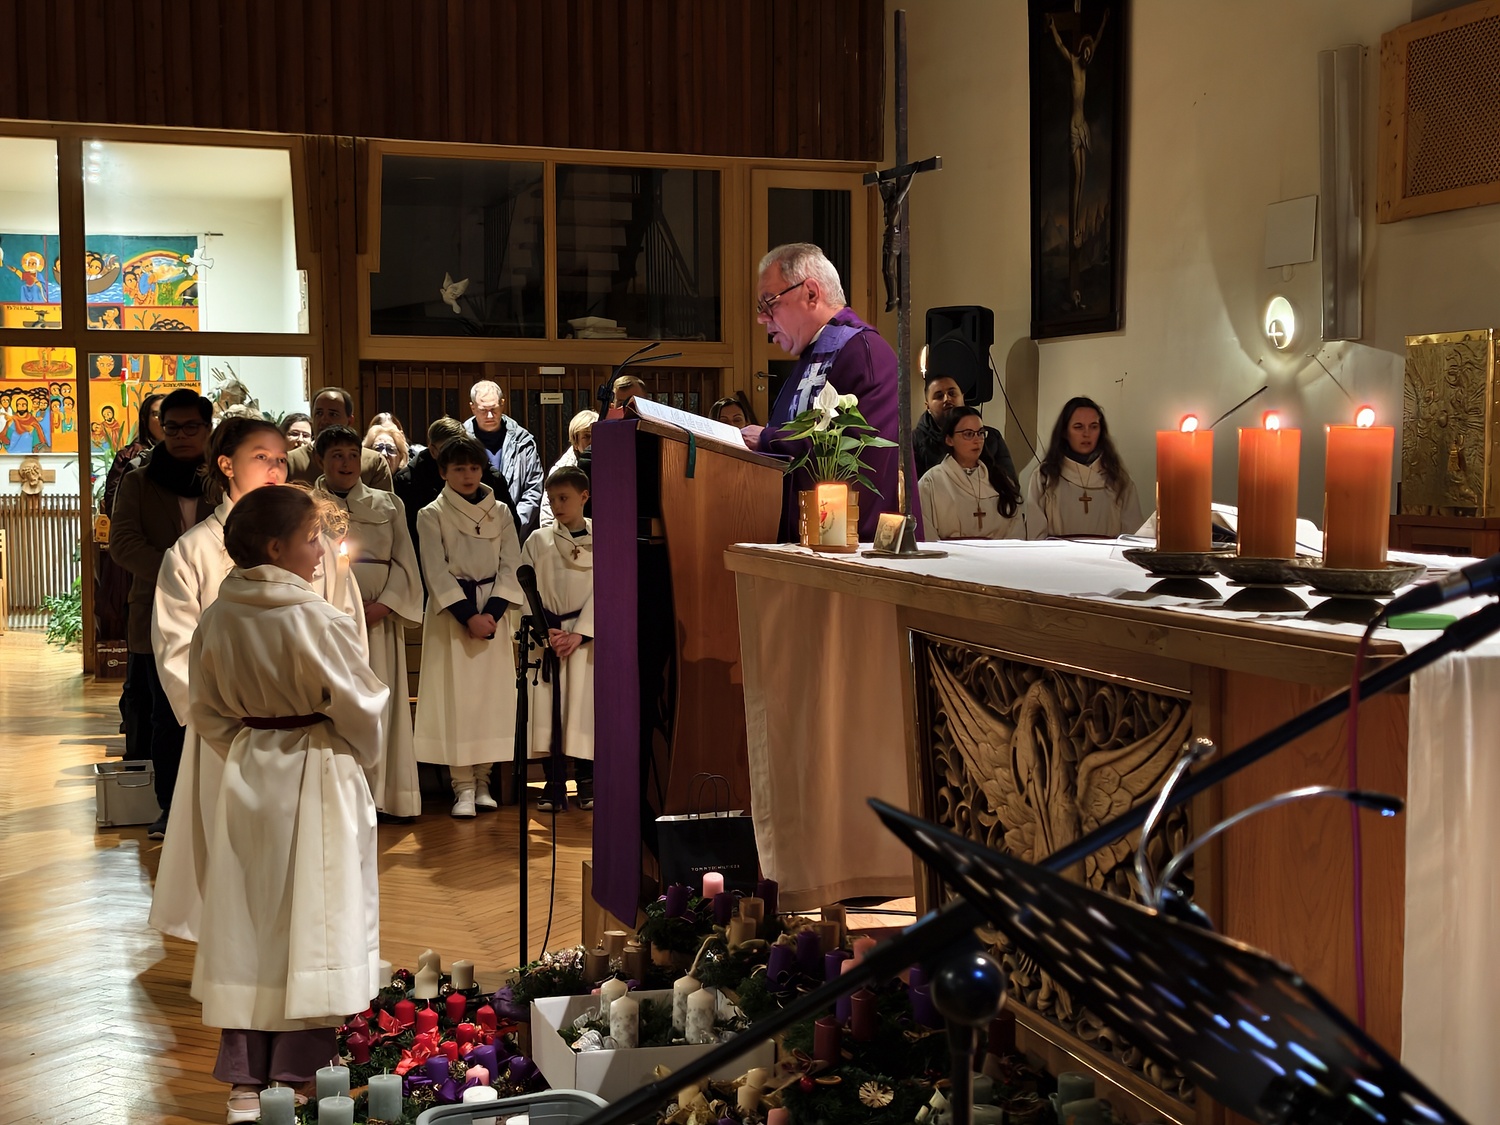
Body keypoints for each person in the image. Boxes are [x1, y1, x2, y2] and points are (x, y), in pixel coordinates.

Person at [186, 485, 386, 1124]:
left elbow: (205, 711)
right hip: (316, 767)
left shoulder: (218, 617)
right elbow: (361, 707)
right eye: (310, 538)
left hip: (249, 770)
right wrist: (354, 756)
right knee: (314, 916)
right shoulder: (317, 618)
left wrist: (252, 741)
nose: (321, 550)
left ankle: (244, 1084)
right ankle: (298, 1075)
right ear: (276, 548)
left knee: (250, 921)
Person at [149, 417, 367, 944]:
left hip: (311, 730)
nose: (275, 468)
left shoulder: (315, 541)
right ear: (226, 465)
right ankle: (235, 941)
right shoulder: (194, 550)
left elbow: (346, 625)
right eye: (261, 457)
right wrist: (227, 726)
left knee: (310, 863)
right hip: (231, 731)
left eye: (281, 458)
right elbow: (178, 647)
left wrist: (334, 710)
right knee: (235, 855)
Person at [741, 243, 902, 542]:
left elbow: (852, 452)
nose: (762, 318)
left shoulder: (863, 352)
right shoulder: (812, 356)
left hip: (851, 545)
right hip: (808, 540)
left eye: (769, 302)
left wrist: (767, 438)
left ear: (811, 293)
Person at [108, 391, 213, 814]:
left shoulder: (221, 479)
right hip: (155, 609)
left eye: (191, 427)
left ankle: (210, 805)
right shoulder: (139, 480)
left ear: (207, 429)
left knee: (217, 710)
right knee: (166, 715)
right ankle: (170, 810)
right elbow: (123, 544)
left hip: (217, 606)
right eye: (172, 428)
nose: (181, 435)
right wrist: (180, 571)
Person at [314, 425, 423, 820]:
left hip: (379, 622)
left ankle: (388, 795)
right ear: (321, 461)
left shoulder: (388, 504)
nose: (346, 463)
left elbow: (406, 561)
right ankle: (342, 799)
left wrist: (386, 605)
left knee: (383, 704)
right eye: (337, 456)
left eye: (352, 455)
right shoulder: (307, 506)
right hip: (328, 625)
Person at [412, 434, 523, 818]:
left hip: (492, 617)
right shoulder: (431, 514)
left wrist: (492, 613)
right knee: (456, 702)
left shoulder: (501, 512)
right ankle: (461, 786)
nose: (468, 475)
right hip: (453, 620)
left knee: (489, 700)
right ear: (444, 471)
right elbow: (435, 570)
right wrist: (468, 617)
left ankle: (483, 781)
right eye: (459, 468)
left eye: (474, 467)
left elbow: (511, 565)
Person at [521, 466, 595, 812]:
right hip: (549, 637)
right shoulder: (538, 541)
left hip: (587, 641)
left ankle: (587, 779)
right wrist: (545, 630)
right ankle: (554, 781)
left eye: (564, 498)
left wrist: (581, 633)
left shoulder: (604, 538)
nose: (557, 506)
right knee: (549, 713)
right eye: (552, 500)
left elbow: (608, 589)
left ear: (584, 496)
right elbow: (525, 588)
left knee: (584, 710)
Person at [96, 391, 167, 743]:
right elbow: (113, 503)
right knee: (141, 656)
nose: (163, 422)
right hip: (141, 568)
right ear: (145, 419)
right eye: (156, 415)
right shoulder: (132, 458)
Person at [395, 416, 514, 587]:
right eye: (448, 449)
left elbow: (510, 550)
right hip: (431, 580)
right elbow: (409, 541)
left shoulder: (491, 479)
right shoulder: (409, 483)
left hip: (491, 583)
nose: (467, 474)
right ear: (433, 451)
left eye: (474, 468)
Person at [1024, 396, 1143, 539]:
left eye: (1093, 427)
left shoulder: (1117, 479)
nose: (1086, 434)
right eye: (1078, 427)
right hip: (1057, 553)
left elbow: (1132, 535)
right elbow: (1035, 535)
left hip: (1107, 553)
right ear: (1064, 432)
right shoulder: (1045, 477)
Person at [918, 407, 1025, 540]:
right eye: (968, 434)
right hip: (949, 553)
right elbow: (926, 532)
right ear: (949, 440)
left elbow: (1016, 528)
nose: (977, 440)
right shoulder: (931, 483)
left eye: (980, 433)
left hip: (999, 552)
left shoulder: (1001, 480)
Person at [462, 380, 542, 539]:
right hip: (468, 531)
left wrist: (513, 523)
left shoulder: (523, 441)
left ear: (503, 404)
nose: (489, 415)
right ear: (472, 408)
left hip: (514, 530)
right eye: (483, 410)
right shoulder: (459, 442)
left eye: (494, 409)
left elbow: (533, 487)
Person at [913, 371, 1015, 484]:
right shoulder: (914, 441)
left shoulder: (991, 437)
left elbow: (1010, 484)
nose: (947, 399)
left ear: (962, 397)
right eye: (939, 396)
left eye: (952, 393)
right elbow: (912, 488)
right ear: (927, 406)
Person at [285, 387, 393, 490]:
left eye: (333, 414)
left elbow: (383, 502)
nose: (324, 420)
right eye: (319, 413)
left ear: (349, 421)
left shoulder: (373, 462)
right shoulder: (291, 461)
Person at [538, 410, 597, 527]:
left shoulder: (612, 465)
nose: (593, 441)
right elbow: (547, 519)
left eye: (597, 435)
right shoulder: (561, 471)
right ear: (575, 442)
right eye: (587, 436)